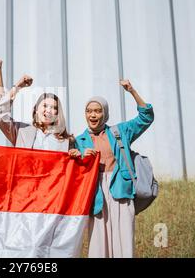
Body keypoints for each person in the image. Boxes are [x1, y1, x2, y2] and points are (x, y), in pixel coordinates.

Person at [68, 79, 154, 258]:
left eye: (98, 111)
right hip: (95, 193)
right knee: (98, 242)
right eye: (89, 111)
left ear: (105, 113)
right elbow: (73, 172)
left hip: (120, 188)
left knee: (124, 239)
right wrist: (78, 157)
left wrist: (132, 91)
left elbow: (146, 116)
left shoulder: (120, 131)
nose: (93, 115)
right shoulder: (78, 140)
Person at [0, 69, 74, 151]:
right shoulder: (21, 132)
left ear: (57, 114)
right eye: (45, 106)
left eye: (53, 108)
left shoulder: (66, 142)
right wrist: (18, 87)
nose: (48, 110)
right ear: (36, 110)